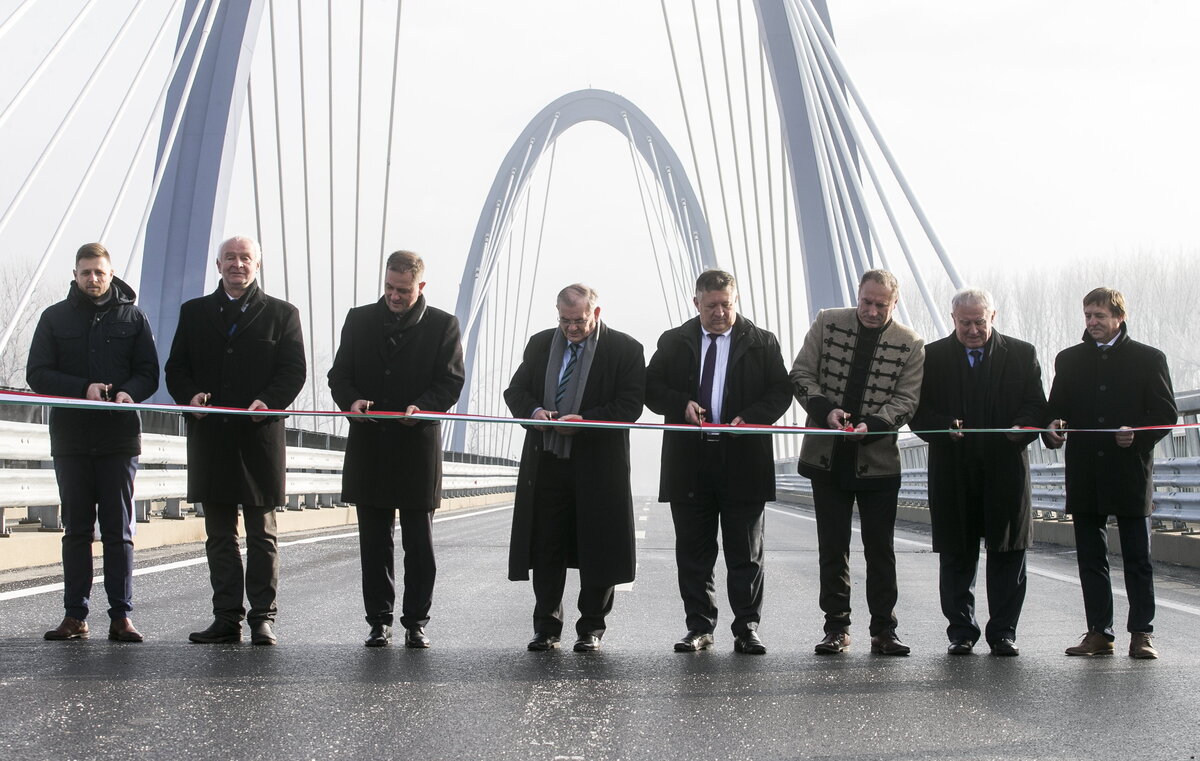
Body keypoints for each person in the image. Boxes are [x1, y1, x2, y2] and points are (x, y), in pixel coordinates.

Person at [164, 235, 306, 646]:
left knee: (263, 533)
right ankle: (226, 617)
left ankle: (263, 617)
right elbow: (177, 368)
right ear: (218, 264)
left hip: (258, 437)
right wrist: (189, 397)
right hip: (211, 436)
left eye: (245, 258)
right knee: (219, 535)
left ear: (257, 265)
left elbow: (293, 370)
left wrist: (269, 401)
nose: (237, 265)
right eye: (230, 258)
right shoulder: (194, 313)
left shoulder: (282, 314)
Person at [645, 269, 791, 655]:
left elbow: (781, 391)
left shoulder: (762, 342)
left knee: (746, 552)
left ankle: (747, 628)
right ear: (697, 304)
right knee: (694, 551)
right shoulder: (674, 341)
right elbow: (651, 388)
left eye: (727, 304)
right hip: (690, 461)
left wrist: (752, 417)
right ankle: (699, 627)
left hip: (742, 459)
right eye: (711, 306)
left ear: (735, 301)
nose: (720, 313)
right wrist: (681, 404)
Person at [328, 251, 465, 648]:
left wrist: (424, 407)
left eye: (402, 290)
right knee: (374, 542)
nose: (394, 295)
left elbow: (451, 382)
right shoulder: (359, 319)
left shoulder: (443, 325)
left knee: (418, 543)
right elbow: (340, 374)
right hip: (369, 443)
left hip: (416, 446)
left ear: (420, 286)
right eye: (388, 287)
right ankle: (379, 621)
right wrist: (350, 400)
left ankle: (416, 621)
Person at [28, 243, 159, 643]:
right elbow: (37, 373)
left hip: (118, 438)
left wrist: (128, 393)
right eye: (85, 272)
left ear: (111, 273)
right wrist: (82, 388)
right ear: (75, 274)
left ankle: (121, 616)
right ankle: (75, 615)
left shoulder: (133, 317)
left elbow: (149, 373)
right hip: (71, 438)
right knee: (77, 530)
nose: (92, 279)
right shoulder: (54, 318)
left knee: (118, 531)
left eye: (99, 272)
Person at [790, 269, 924, 656]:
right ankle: (836, 627)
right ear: (858, 295)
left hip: (878, 461)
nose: (871, 310)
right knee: (833, 548)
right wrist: (826, 411)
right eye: (866, 301)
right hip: (826, 458)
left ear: (894, 303)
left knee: (880, 549)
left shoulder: (911, 343)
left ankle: (884, 629)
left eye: (881, 304)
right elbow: (801, 374)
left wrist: (874, 425)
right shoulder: (827, 321)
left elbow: (907, 399)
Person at [504, 284, 645, 652]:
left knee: (599, 544)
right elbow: (515, 392)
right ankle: (547, 627)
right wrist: (535, 412)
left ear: (595, 313)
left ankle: (591, 628)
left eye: (579, 321)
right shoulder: (540, 345)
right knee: (547, 544)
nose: (571, 328)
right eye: (564, 321)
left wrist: (584, 421)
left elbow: (629, 406)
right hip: (548, 462)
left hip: (598, 465)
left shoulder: (624, 349)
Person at [911, 288, 1046, 657]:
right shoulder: (932, 357)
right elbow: (917, 413)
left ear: (993, 317)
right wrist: (942, 426)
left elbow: (1036, 405)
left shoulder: (1021, 354)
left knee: (1007, 553)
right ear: (953, 319)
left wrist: (1023, 427)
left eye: (980, 322)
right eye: (965, 323)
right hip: (953, 471)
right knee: (956, 554)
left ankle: (1003, 632)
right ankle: (961, 631)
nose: (973, 330)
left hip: (1005, 471)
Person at [1043, 287, 1176, 659]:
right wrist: (1052, 427)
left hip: (1129, 471)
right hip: (1085, 470)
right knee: (1090, 557)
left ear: (1119, 317)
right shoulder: (1068, 360)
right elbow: (1055, 410)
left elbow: (1165, 414)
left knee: (1138, 557)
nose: (1092, 322)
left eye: (1099, 316)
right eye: (1087, 315)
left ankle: (1141, 633)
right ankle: (1099, 632)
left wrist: (1135, 437)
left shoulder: (1149, 359)